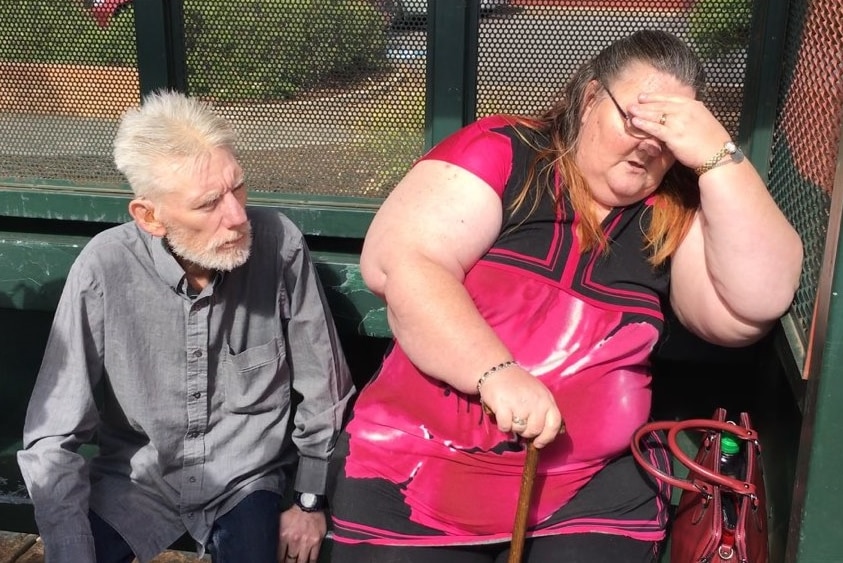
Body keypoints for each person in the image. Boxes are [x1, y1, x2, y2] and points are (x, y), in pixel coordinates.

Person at [328, 29, 803, 563]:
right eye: (640, 119)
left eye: (672, 133)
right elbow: (404, 262)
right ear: (591, 97)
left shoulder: (674, 207)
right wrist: (494, 372)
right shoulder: (505, 150)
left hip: (593, 491)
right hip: (414, 477)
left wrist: (717, 156)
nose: (652, 143)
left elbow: (753, 305)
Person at [17, 90, 356, 563]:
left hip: (247, 478)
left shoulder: (279, 244)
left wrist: (310, 500)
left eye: (237, 187)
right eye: (209, 204)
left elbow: (326, 388)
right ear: (150, 216)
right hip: (136, 479)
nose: (237, 217)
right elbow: (53, 433)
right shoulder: (104, 266)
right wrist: (71, 551)